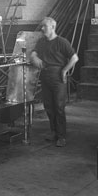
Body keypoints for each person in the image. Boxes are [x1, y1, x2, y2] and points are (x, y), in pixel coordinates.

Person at [29, 17, 78, 147]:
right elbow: (33, 53)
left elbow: (74, 58)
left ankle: (61, 136)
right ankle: (53, 132)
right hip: (45, 76)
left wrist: (64, 71)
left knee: (59, 107)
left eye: (44, 26)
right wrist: (34, 57)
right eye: (42, 26)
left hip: (58, 78)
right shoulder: (41, 42)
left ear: (52, 27)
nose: (42, 28)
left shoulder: (62, 42)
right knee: (49, 106)